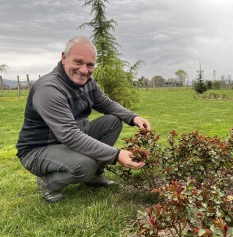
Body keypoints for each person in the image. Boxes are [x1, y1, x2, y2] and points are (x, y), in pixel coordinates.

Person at [16, 35, 150, 203]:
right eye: (78, 62)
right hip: (38, 149)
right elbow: (70, 136)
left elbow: (106, 104)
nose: (84, 70)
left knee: (112, 121)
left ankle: (93, 177)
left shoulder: (88, 82)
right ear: (64, 58)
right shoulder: (49, 89)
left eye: (90, 65)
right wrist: (116, 155)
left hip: (66, 139)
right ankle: (48, 182)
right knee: (85, 165)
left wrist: (134, 117)